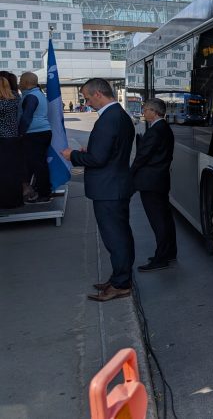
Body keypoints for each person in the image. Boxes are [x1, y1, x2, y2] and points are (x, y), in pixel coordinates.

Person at [62, 78, 135, 301]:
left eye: (87, 97)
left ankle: (121, 283)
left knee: (115, 238)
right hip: (115, 185)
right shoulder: (119, 116)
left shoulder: (107, 119)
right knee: (120, 235)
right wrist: (91, 150)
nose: (86, 102)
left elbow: (98, 158)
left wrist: (73, 155)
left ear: (98, 95)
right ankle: (118, 278)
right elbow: (109, 151)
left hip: (108, 188)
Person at [131, 98, 177, 271]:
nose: (144, 112)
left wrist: (131, 173)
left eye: (146, 109)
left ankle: (161, 258)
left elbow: (142, 156)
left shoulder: (156, 130)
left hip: (151, 183)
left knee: (158, 221)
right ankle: (170, 252)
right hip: (160, 181)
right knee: (165, 218)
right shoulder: (163, 128)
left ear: (154, 112)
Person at [18, 72, 52, 203]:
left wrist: (20, 133)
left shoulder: (31, 96)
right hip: (43, 132)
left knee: (38, 165)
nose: (19, 82)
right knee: (40, 163)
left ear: (26, 82)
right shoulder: (39, 94)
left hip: (34, 133)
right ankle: (42, 191)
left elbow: (27, 117)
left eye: (21, 79)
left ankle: (44, 194)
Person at [0, 77, 23, 208]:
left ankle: (6, 202)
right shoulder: (15, 98)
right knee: (13, 170)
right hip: (13, 138)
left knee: (4, 172)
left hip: (3, 140)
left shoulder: (1, 103)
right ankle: (16, 200)